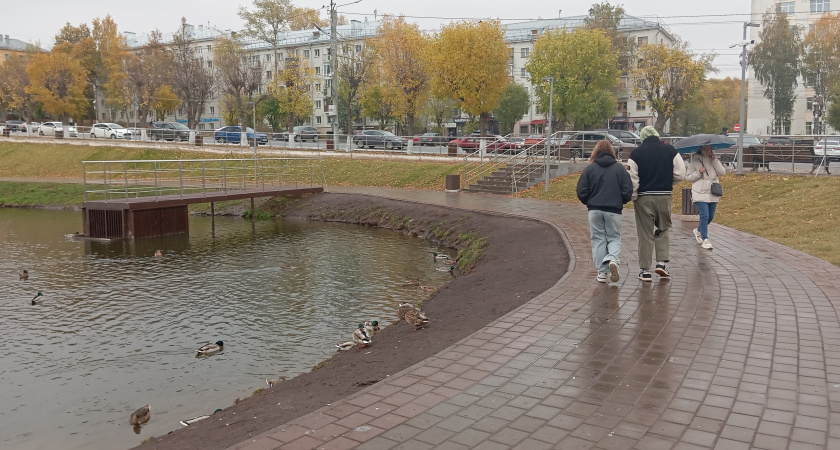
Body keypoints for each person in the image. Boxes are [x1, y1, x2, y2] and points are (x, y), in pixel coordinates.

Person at [628, 126, 686, 282]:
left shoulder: (636, 153)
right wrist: (668, 183)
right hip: (664, 195)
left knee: (645, 234)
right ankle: (661, 263)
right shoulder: (670, 150)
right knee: (663, 228)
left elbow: (632, 178)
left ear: (642, 137)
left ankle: (645, 271)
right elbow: (681, 173)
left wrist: (634, 197)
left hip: (644, 197)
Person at [576, 140, 633, 283]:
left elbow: (581, 191)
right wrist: (620, 201)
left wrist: (588, 201)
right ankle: (613, 259)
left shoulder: (590, 169)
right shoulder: (619, 169)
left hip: (594, 209)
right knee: (614, 237)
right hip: (614, 210)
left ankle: (602, 273)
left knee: (598, 239)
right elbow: (627, 190)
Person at [686, 145, 726, 250]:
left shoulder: (713, 160)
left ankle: (698, 230)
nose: (707, 151)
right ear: (701, 149)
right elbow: (688, 177)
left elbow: (722, 172)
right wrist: (699, 172)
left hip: (713, 191)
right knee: (704, 215)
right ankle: (705, 239)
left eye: (709, 149)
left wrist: (715, 160)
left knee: (710, 216)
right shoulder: (694, 161)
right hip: (699, 192)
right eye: (705, 149)